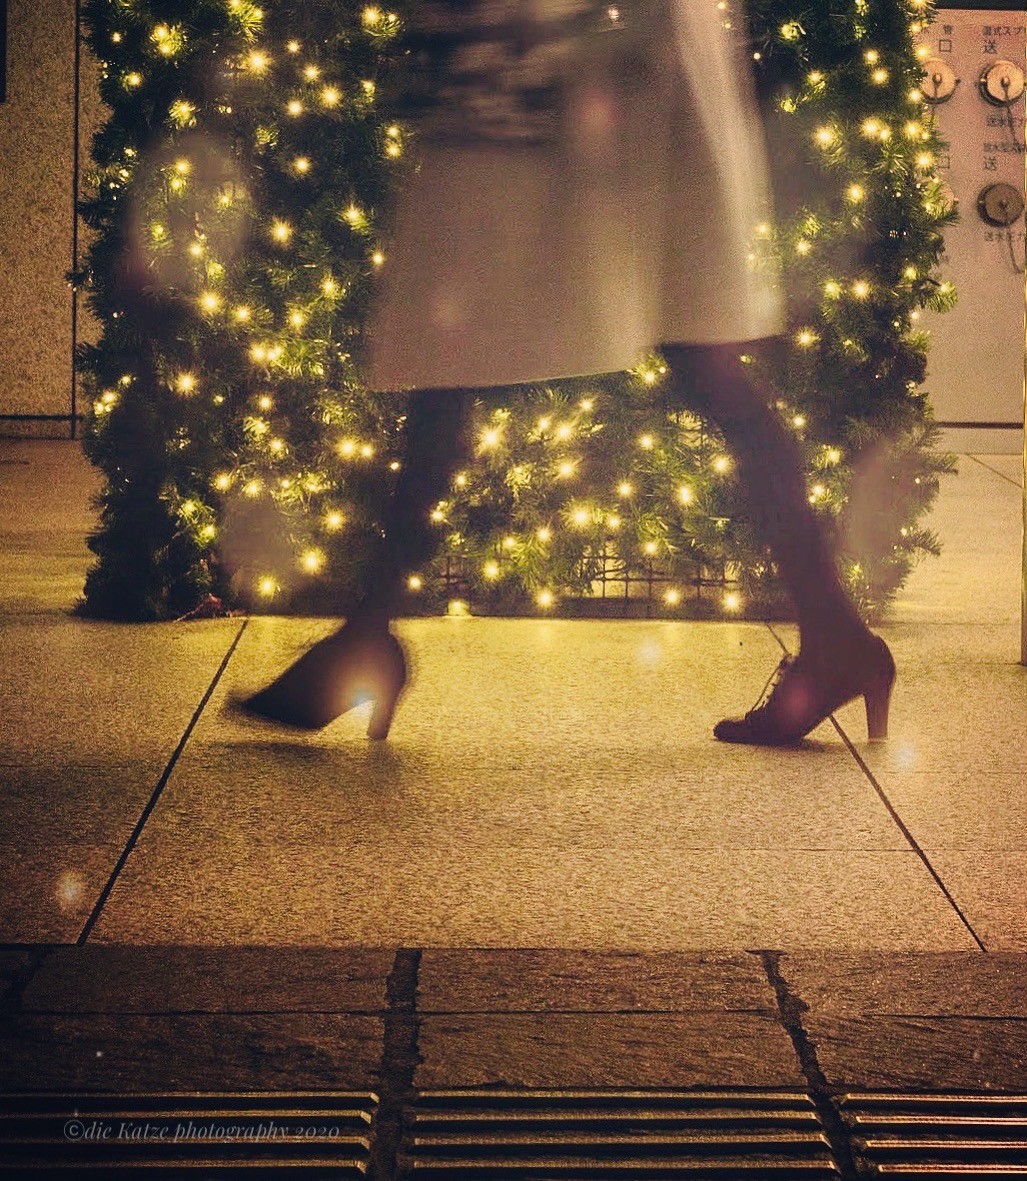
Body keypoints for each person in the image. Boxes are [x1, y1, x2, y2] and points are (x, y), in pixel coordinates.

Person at [243, 0, 895, 744]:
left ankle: (367, 637)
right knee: (677, 346)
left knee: (464, 334)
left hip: (570, 53)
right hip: (574, 52)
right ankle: (834, 637)